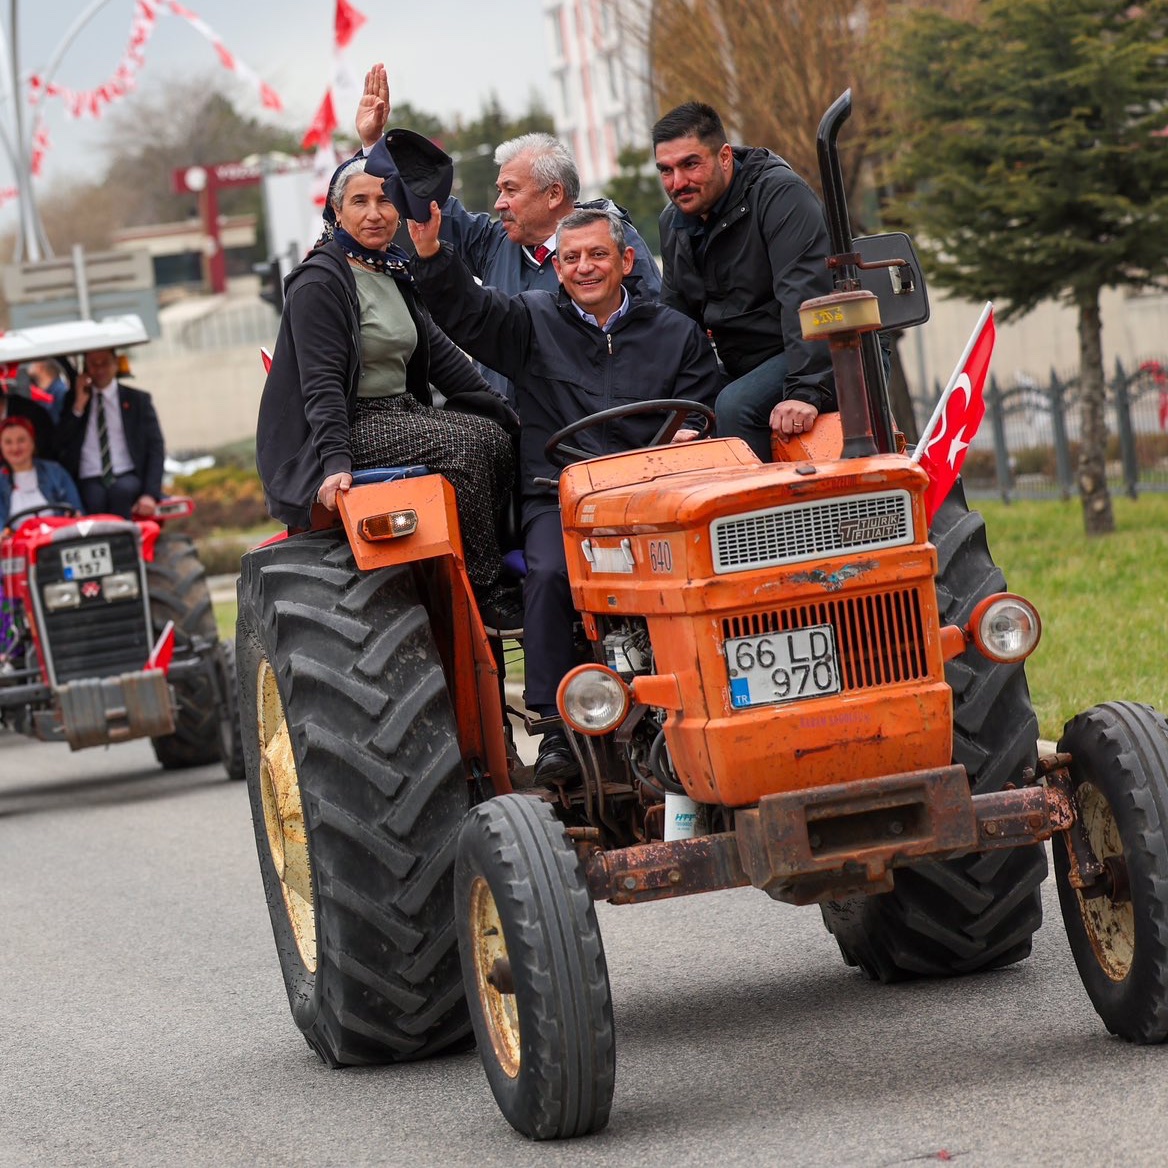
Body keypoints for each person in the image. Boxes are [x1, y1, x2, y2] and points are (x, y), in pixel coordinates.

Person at [410, 203, 721, 783]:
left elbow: (702, 410)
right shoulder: (528, 323)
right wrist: (431, 256)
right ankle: (556, 729)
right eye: (571, 257)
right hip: (560, 496)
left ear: (627, 261)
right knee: (549, 572)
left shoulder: (673, 334)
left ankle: (705, 697)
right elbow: (467, 312)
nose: (584, 268)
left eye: (598, 255)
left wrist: (688, 433)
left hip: (654, 499)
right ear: (555, 268)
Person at [255, 156, 523, 634]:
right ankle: (486, 591)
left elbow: (443, 356)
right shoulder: (319, 282)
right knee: (463, 448)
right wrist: (335, 464)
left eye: (384, 201)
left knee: (498, 437)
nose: (374, 213)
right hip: (343, 425)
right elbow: (321, 385)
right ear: (336, 212)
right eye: (360, 201)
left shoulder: (395, 269)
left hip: (399, 414)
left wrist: (505, 413)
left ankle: (503, 562)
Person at [355, 62, 662, 406]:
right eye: (499, 190)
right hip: (504, 430)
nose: (499, 203)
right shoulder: (495, 243)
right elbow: (430, 204)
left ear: (554, 195)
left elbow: (651, 340)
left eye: (511, 190)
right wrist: (375, 146)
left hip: (583, 430)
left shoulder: (616, 244)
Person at [652, 101, 837, 462]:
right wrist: (685, 415)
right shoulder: (673, 223)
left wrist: (805, 391)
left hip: (826, 350)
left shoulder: (781, 196)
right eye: (666, 170)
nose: (678, 182)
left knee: (736, 404)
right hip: (748, 361)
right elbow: (678, 325)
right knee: (660, 415)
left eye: (690, 164)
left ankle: (764, 519)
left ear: (724, 157)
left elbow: (805, 298)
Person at [56, 348, 166, 520]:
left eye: (105, 363)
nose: (99, 369)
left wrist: (150, 494)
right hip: (90, 476)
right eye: (93, 364)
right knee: (93, 498)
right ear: (86, 368)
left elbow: (155, 448)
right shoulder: (74, 400)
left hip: (125, 473)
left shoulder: (138, 400)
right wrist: (78, 406)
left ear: (116, 364)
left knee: (121, 492)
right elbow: (62, 440)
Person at [0, 415, 82, 528]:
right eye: (8, 442)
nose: (15, 448)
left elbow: (77, 511)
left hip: (56, 539)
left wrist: (74, 516)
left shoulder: (55, 472)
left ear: (32, 442)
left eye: (21, 440)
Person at [27, 359, 69, 424]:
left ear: (40, 366)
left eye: (33, 362)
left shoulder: (60, 391)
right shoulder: (38, 391)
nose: (29, 365)